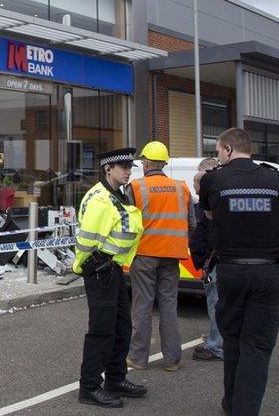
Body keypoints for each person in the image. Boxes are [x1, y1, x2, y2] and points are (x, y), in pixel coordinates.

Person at [199, 128, 279, 415]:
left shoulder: (214, 179)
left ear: (227, 149)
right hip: (268, 272)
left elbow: (211, 216)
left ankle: (232, 404)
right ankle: (244, 408)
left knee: (233, 342)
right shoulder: (276, 178)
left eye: (217, 151)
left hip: (231, 272)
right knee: (258, 347)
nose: (217, 156)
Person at [73, 147, 147, 408]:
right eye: (123, 167)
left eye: (130, 168)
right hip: (99, 270)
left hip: (113, 268)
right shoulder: (100, 199)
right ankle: (90, 387)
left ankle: (115, 379)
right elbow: (86, 241)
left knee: (121, 327)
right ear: (108, 169)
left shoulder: (117, 194)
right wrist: (83, 267)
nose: (128, 172)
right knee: (101, 331)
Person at [127, 141, 195, 372]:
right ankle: (172, 360)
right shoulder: (182, 188)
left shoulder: (136, 187)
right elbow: (191, 224)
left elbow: (128, 225)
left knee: (142, 306)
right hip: (172, 255)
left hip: (144, 254)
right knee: (168, 305)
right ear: (164, 163)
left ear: (145, 162)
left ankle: (137, 358)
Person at [190, 157, 224, 362]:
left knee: (217, 303)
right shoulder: (216, 200)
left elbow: (205, 235)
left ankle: (217, 345)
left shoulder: (211, 204)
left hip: (214, 261)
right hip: (216, 260)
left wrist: (203, 261)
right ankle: (217, 338)